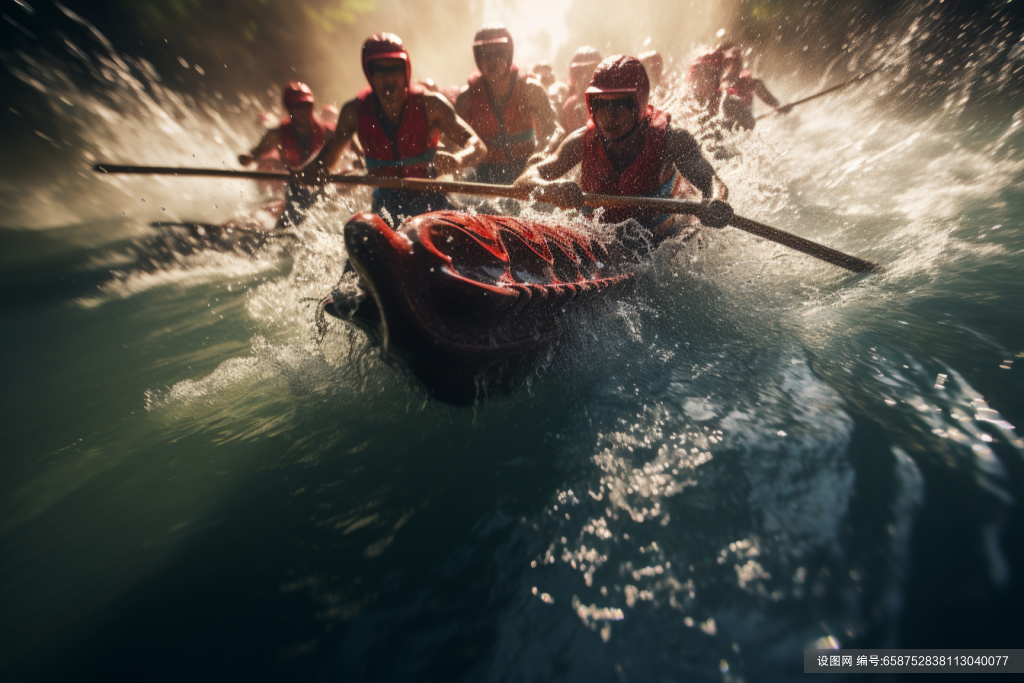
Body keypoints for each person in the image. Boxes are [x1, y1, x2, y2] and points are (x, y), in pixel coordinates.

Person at [514, 55, 732, 259]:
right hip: (599, 240)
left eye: (620, 105)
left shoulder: (672, 139)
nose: (609, 116)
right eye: (602, 105)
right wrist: (548, 188)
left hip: (656, 245)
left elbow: (713, 183)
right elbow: (523, 181)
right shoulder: (580, 140)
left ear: (638, 103)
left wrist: (716, 201)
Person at [296, 33, 487, 224]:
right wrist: (310, 171)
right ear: (370, 74)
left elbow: (478, 146)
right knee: (357, 229)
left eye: (395, 69)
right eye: (380, 70)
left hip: (433, 202)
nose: (389, 78)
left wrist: (458, 160)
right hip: (386, 207)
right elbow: (324, 164)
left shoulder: (431, 105)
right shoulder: (353, 113)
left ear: (406, 71)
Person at [455, 24, 562, 184]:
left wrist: (543, 153)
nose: (491, 60)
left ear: (509, 54)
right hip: (485, 175)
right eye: (484, 53)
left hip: (526, 171)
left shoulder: (531, 90)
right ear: (477, 58)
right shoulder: (466, 98)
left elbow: (555, 130)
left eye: (498, 52)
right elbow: (451, 142)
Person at [238, 82, 336, 227]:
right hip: (294, 185)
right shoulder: (276, 134)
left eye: (307, 106)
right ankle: (241, 224)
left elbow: (354, 152)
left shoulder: (328, 131)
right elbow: (256, 153)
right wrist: (248, 158)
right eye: (297, 107)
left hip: (322, 184)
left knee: (295, 207)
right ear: (289, 109)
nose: (303, 111)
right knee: (280, 208)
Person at [718, 47, 790, 130]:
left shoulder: (752, 83)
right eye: (733, 61)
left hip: (744, 122)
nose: (737, 64)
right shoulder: (723, 84)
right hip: (728, 123)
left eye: (738, 60)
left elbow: (771, 101)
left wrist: (780, 108)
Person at [560, 46, 603, 134]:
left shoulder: (607, 102)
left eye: (589, 72)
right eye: (579, 73)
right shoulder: (569, 106)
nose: (584, 78)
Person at [686, 44, 730, 119]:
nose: (702, 79)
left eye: (710, 74)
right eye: (699, 72)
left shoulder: (726, 104)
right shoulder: (684, 102)